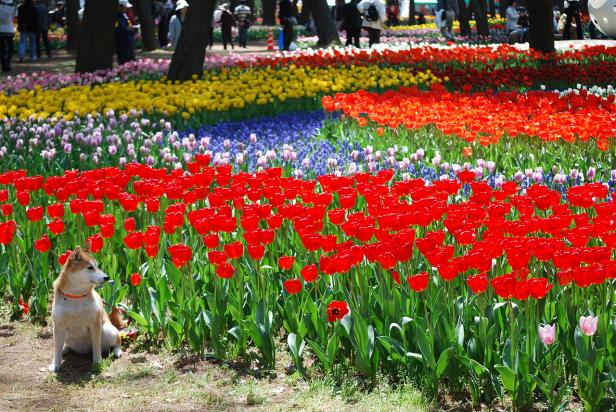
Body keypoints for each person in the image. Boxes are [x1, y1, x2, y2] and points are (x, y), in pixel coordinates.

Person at [114, 0, 136, 65]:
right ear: (119, 7)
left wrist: (132, 28)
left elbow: (128, 24)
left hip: (129, 43)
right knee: (124, 63)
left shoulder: (124, 16)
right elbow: (116, 31)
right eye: (125, 7)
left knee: (132, 62)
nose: (127, 9)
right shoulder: (115, 17)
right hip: (122, 45)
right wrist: (127, 29)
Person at [0, 0, 14, 72]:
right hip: (9, 30)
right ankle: (8, 62)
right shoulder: (12, 9)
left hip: (1, 30)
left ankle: (3, 65)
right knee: (10, 48)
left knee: (2, 49)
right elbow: (14, 18)